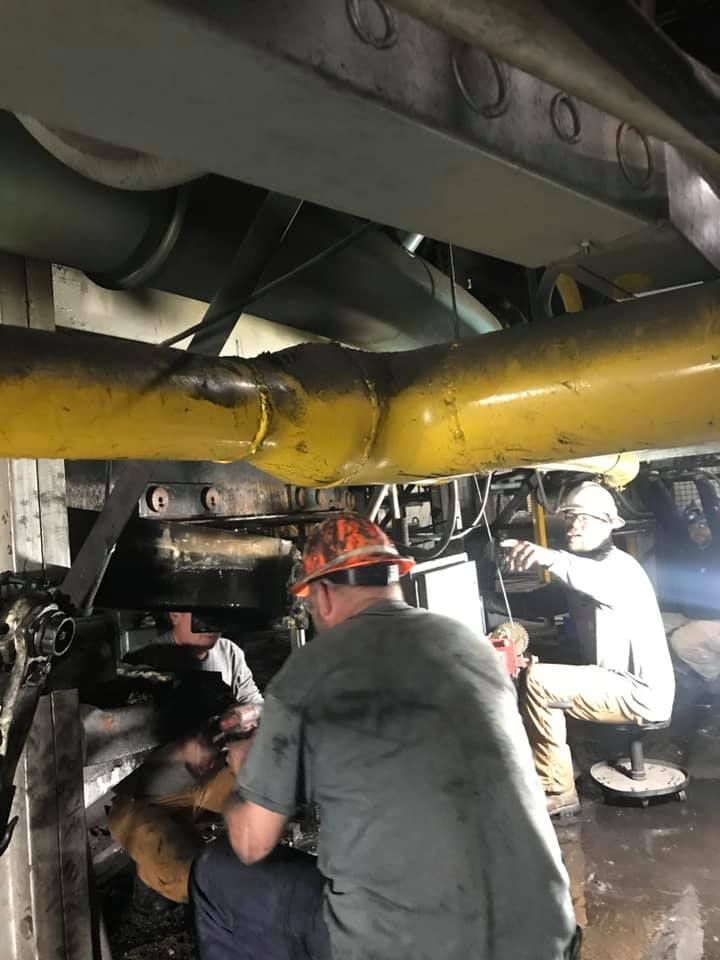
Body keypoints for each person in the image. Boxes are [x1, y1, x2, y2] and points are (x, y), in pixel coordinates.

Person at [191, 515, 578, 960]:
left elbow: (251, 842)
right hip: (546, 936)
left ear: (324, 595)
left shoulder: (308, 672)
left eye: (310, 606)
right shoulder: (471, 646)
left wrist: (248, 774)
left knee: (216, 873)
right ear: (395, 577)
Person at [504, 481, 675, 817]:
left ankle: (557, 791)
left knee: (539, 681)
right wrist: (487, 594)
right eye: (570, 517)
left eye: (584, 518)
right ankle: (561, 769)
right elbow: (537, 602)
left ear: (609, 524)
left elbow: (584, 574)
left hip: (640, 692)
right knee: (539, 669)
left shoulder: (620, 568)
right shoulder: (585, 569)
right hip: (615, 681)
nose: (573, 525)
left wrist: (547, 556)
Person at [107, 611, 263, 904]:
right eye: (201, 614)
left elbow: (258, 705)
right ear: (175, 614)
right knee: (180, 871)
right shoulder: (141, 663)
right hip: (147, 796)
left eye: (215, 611)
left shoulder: (229, 653)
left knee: (276, 781)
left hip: (213, 775)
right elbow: (115, 757)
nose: (212, 625)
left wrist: (242, 714)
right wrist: (180, 751)